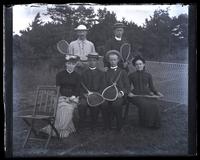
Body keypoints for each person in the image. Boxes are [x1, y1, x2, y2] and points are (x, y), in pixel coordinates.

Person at [41, 55, 81, 138]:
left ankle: (62, 129)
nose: (71, 66)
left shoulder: (77, 76)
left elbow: (78, 89)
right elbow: (57, 88)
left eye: (73, 64)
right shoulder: (60, 74)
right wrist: (61, 97)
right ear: (66, 64)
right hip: (62, 97)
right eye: (69, 63)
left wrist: (72, 97)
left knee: (67, 108)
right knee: (60, 107)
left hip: (73, 98)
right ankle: (58, 129)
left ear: (75, 65)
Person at [128, 55, 163, 129]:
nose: (139, 66)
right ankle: (145, 123)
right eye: (137, 64)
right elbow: (127, 87)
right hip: (136, 95)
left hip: (147, 94)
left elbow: (152, 87)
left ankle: (154, 124)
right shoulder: (131, 75)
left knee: (155, 104)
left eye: (140, 64)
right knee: (144, 104)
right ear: (134, 65)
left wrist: (157, 93)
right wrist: (129, 93)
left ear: (143, 64)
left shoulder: (148, 75)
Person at [78, 52, 107, 133]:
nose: (92, 62)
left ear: (97, 61)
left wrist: (96, 95)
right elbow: (80, 87)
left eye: (94, 60)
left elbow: (103, 86)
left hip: (97, 95)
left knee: (98, 104)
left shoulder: (101, 73)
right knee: (82, 105)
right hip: (86, 96)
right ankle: (82, 124)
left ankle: (94, 124)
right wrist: (84, 94)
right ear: (88, 61)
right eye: (90, 60)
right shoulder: (83, 73)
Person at [103, 50, 130, 132]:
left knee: (116, 104)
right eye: (111, 60)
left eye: (114, 60)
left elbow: (127, 86)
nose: (113, 61)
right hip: (108, 94)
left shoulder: (123, 72)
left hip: (120, 95)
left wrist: (121, 93)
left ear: (118, 60)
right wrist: (106, 94)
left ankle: (119, 126)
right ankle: (107, 125)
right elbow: (103, 85)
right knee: (104, 105)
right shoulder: (106, 72)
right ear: (108, 60)